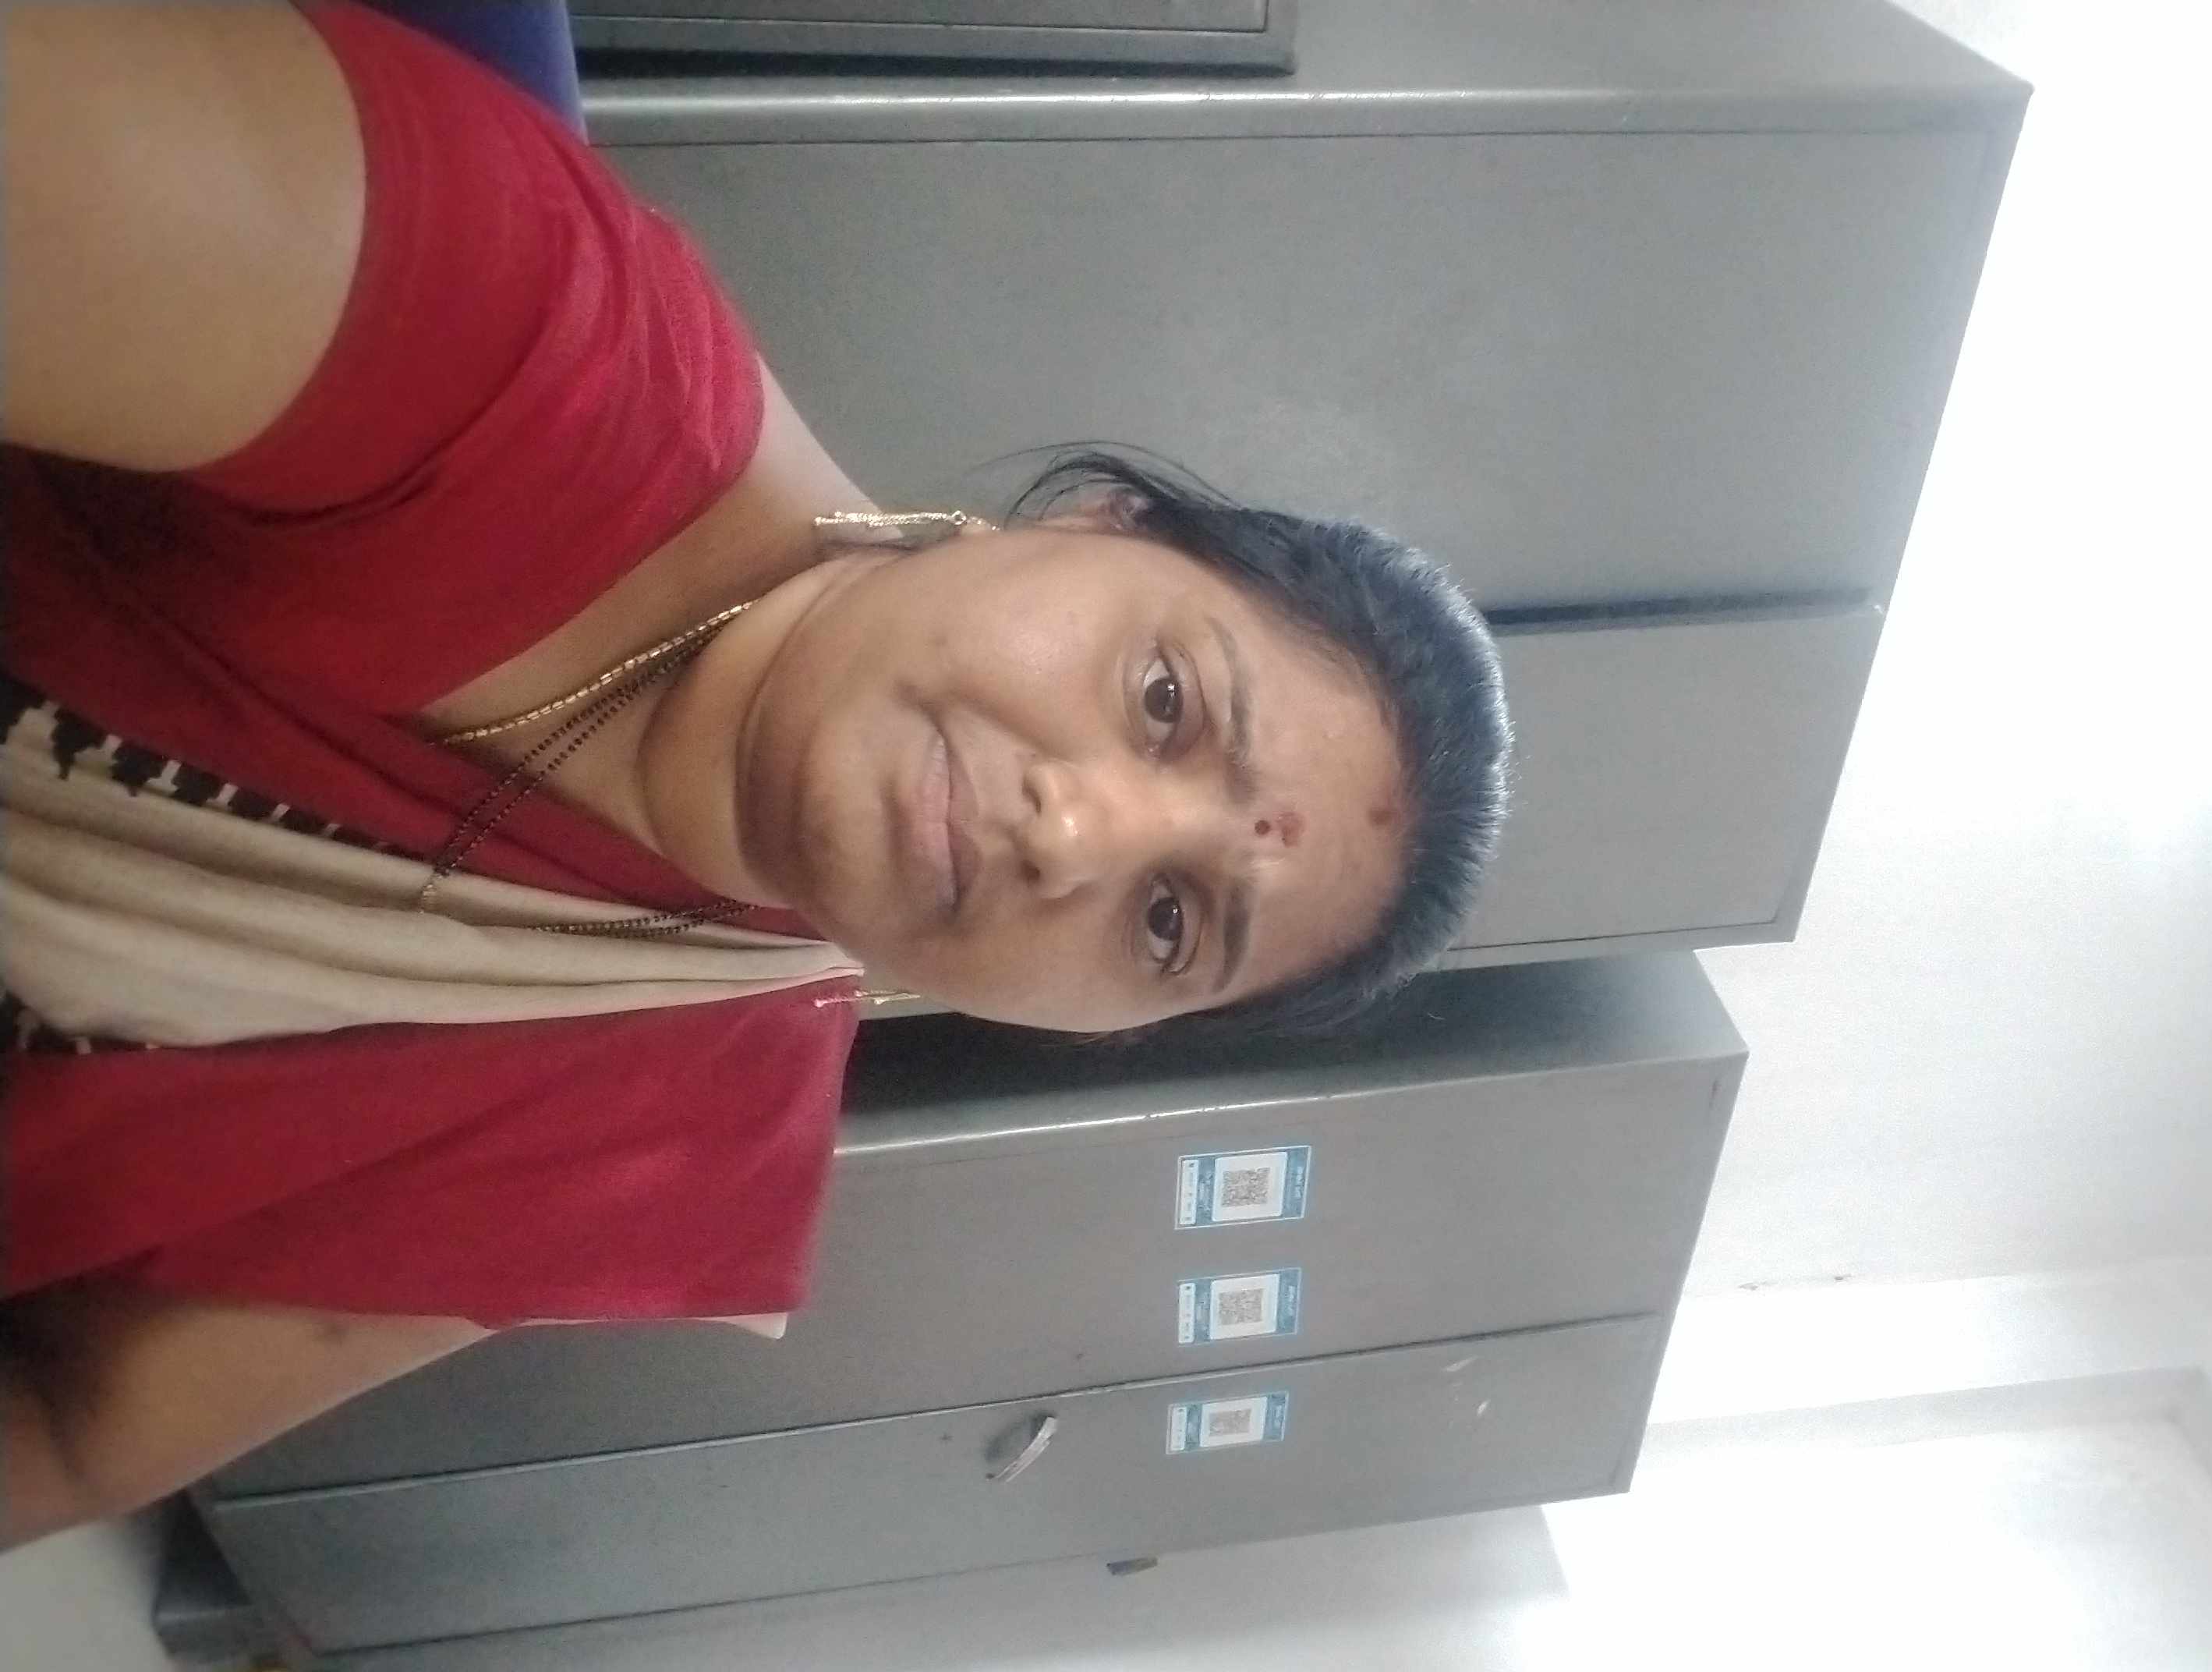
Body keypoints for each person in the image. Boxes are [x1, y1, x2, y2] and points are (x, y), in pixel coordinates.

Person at [0, 2, 1510, 1546]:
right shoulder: (514, 352)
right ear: (1095, 523)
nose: (1075, 835)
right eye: (1166, 698)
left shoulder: (678, 1124)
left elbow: (64, 1414)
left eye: (1172, 924)